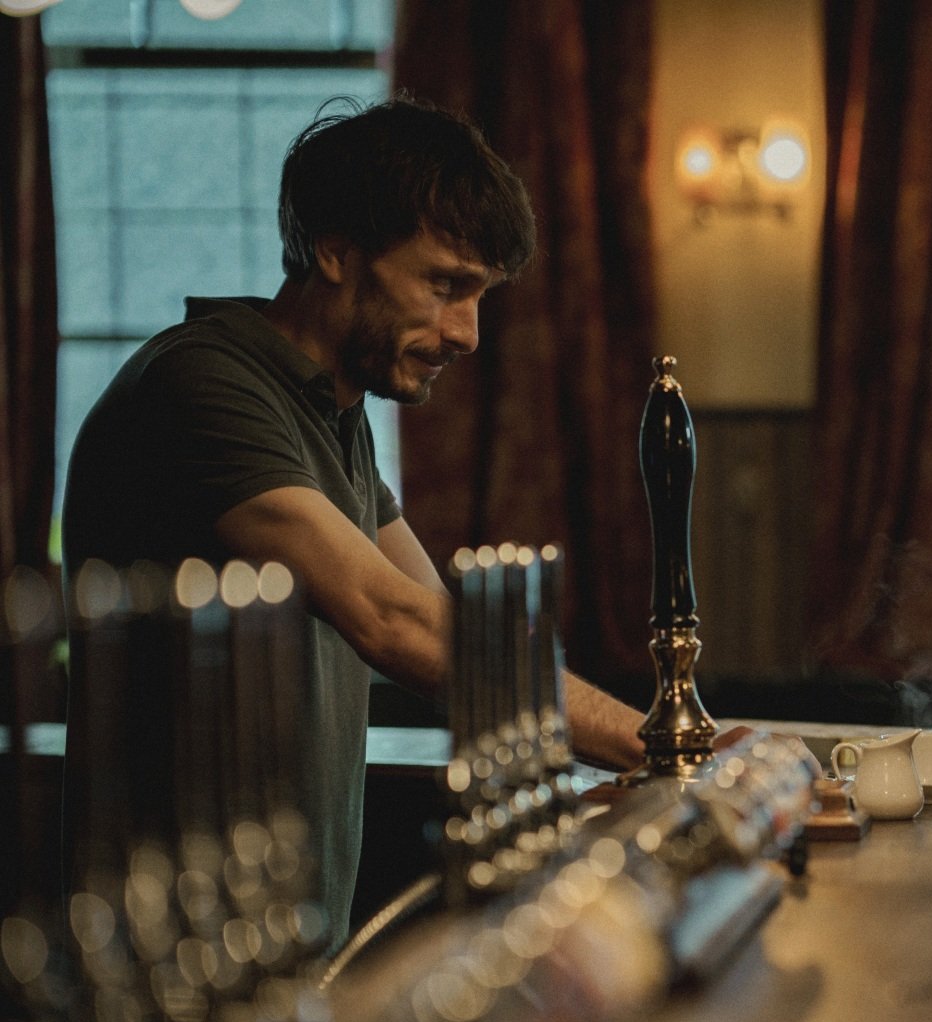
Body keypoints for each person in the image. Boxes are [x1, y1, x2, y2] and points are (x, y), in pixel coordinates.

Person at [61, 98, 646, 944]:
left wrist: (642, 742)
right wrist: (653, 740)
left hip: (284, 941)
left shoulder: (332, 410)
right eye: (444, 285)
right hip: (172, 958)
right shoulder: (203, 385)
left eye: (479, 295)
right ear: (334, 249)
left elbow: (455, 624)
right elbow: (392, 618)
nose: (468, 333)